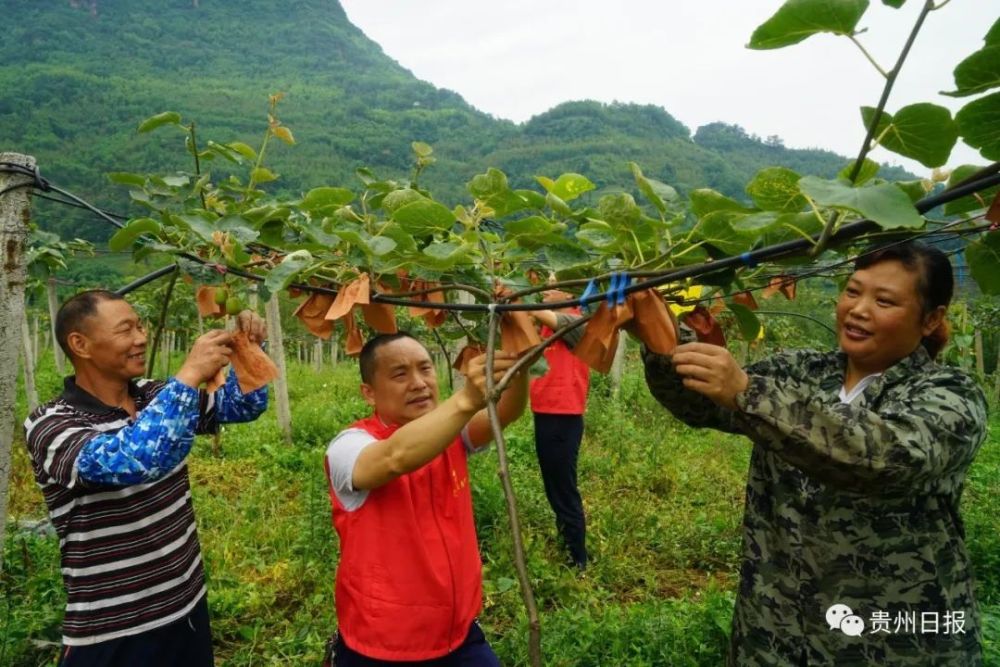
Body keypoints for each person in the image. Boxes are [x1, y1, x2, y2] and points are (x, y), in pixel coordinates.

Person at [641, 243, 986, 665]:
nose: (858, 309)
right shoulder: (799, 371)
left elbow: (885, 457)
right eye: (853, 291)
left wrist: (749, 393)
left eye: (884, 301)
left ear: (931, 319)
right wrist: (657, 333)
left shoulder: (949, 394)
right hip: (774, 628)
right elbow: (701, 404)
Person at [24, 289, 270, 667]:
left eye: (141, 326)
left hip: (185, 605)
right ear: (80, 344)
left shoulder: (155, 396)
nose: (141, 338)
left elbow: (243, 405)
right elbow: (137, 458)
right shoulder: (51, 424)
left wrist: (248, 348)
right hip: (113, 629)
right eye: (126, 330)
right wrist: (189, 375)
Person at [323, 332, 528, 665]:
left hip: (457, 633)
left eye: (425, 369)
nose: (419, 383)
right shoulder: (348, 447)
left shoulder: (451, 433)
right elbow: (394, 457)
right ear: (368, 393)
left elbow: (504, 413)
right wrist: (464, 400)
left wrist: (517, 367)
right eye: (400, 374)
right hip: (383, 644)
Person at [529, 290, 591, 569]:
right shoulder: (546, 325)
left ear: (568, 293)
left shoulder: (576, 321)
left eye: (552, 286)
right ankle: (567, 544)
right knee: (555, 486)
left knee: (563, 490)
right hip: (546, 413)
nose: (544, 291)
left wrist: (512, 295)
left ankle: (577, 559)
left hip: (562, 416)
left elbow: (538, 312)